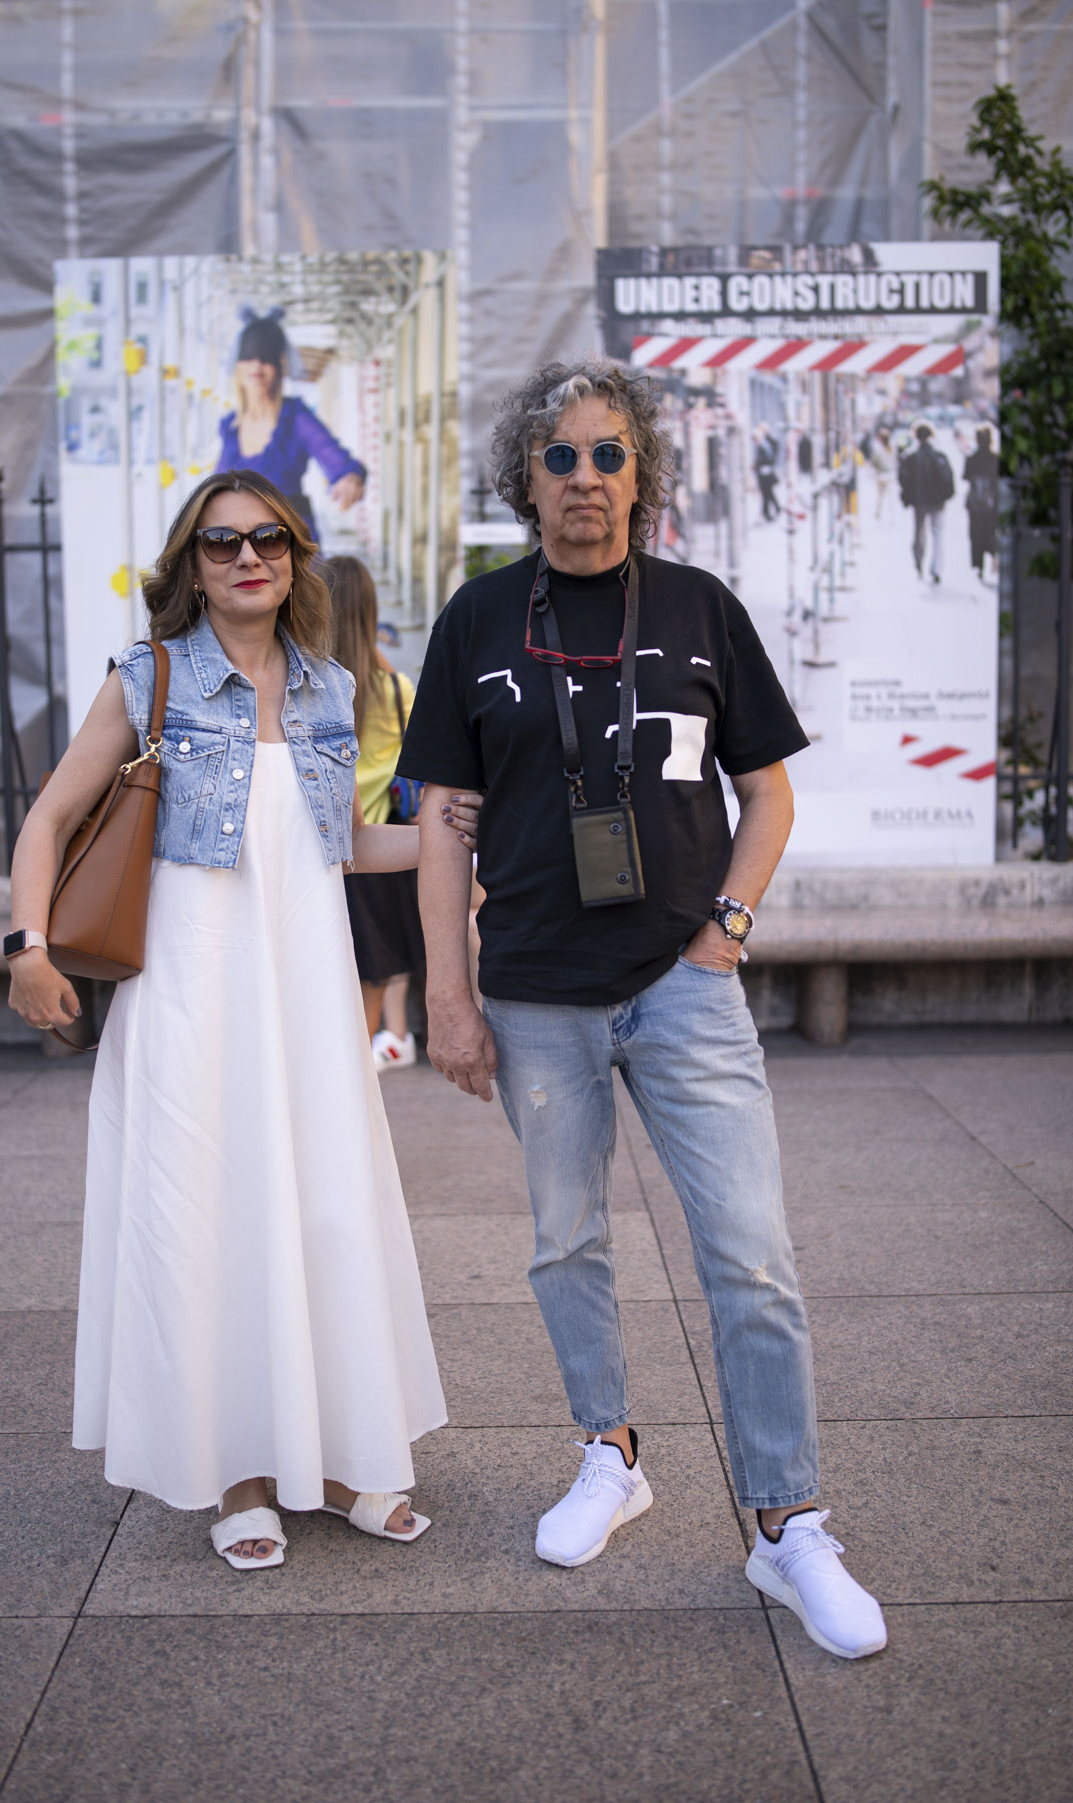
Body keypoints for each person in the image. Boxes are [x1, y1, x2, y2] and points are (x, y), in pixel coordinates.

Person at [399, 357, 886, 1660]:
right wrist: (447, 992)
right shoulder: (478, 620)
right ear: (526, 477)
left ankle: (787, 1523)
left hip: (681, 983)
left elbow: (767, 790)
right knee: (566, 1242)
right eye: (560, 456)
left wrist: (728, 929)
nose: (586, 478)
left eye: (609, 454)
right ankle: (609, 1454)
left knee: (751, 1254)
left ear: (642, 474)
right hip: (533, 992)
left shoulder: (700, 607)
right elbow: (442, 820)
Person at [6, 471, 474, 1571]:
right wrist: (26, 946)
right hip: (192, 985)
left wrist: (461, 842)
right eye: (221, 543)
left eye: (268, 538)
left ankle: (345, 1456)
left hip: (305, 984)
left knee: (328, 1207)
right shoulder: (148, 676)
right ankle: (239, 1474)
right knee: (204, 1216)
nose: (247, 557)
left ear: (296, 555)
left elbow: (338, 840)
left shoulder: (328, 687)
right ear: (192, 564)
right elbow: (50, 816)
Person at [328, 553, 430, 1071]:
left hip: (327, 850)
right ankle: (362, 1065)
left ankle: (341, 1069)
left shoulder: (312, 689)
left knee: (333, 973)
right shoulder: (394, 689)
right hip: (380, 850)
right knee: (375, 970)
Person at [215, 309, 366, 545]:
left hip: (289, 544)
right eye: (249, 356)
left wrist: (350, 478)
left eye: (266, 358)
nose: (257, 365)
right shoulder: (231, 428)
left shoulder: (295, 418)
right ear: (238, 366)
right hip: (242, 547)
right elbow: (216, 491)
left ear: (279, 366)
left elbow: (338, 460)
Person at [898, 421, 954, 584]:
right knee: (937, 535)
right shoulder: (938, 455)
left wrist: (908, 498)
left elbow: (903, 479)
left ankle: (919, 563)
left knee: (919, 533)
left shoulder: (911, 457)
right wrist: (944, 496)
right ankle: (936, 569)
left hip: (919, 501)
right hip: (937, 502)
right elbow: (948, 479)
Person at [963, 425, 999, 581]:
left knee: (976, 534)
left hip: (975, 502)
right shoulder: (995, 458)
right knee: (990, 531)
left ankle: (979, 565)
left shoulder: (972, 458)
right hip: (992, 501)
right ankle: (993, 557)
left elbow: (965, 476)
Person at [752, 422, 780, 521]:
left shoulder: (765, 444)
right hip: (765, 473)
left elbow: (769, 459)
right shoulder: (764, 444)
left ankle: (768, 512)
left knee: (767, 493)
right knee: (767, 493)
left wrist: (758, 465)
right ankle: (768, 512)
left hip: (766, 474)